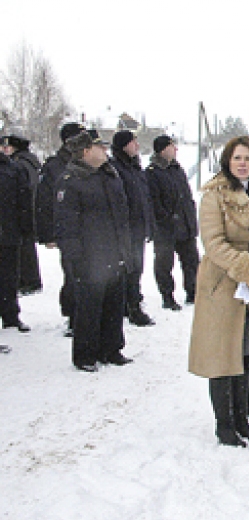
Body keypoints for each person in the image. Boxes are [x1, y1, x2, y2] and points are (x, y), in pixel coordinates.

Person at [187, 136, 249, 447]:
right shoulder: (214, 196)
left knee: (247, 353)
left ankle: (242, 419)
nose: (243, 163)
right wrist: (246, 267)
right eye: (238, 158)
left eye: (248, 159)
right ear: (228, 161)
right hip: (221, 284)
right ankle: (224, 425)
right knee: (222, 355)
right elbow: (213, 244)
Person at [54, 130, 134, 372]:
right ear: (86, 151)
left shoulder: (110, 175)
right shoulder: (71, 180)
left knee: (114, 304)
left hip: (113, 252)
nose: (105, 151)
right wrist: (74, 257)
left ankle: (111, 348)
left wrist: (125, 249)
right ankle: (85, 355)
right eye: (100, 147)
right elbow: (66, 226)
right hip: (89, 256)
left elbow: (121, 216)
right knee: (89, 307)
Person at [37, 122, 86, 335]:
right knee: (73, 274)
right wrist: (47, 234)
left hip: (87, 229)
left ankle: (81, 315)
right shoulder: (54, 166)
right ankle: (73, 317)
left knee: (85, 274)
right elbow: (44, 202)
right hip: (66, 230)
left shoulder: (87, 164)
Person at [146, 134, 199, 311]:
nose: (175, 149)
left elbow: (187, 196)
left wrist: (190, 218)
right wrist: (166, 219)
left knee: (191, 261)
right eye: (171, 146)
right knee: (164, 264)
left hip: (185, 225)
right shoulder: (153, 172)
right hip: (166, 229)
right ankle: (167, 296)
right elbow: (154, 202)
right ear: (162, 150)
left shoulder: (177, 169)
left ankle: (193, 292)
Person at [109, 130, 156, 327]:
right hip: (124, 229)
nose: (137, 144)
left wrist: (149, 225)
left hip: (138, 228)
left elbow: (145, 198)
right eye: (133, 141)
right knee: (126, 269)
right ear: (123, 145)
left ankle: (131, 303)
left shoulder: (136, 167)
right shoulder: (115, 168)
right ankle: (130, 307)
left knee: (136, 269)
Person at [1, 134, 43, 296]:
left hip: (21, 213)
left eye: (8, 147)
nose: (5, 150)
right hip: (24, 213)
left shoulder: (19, 165)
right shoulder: (29, 161)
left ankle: (28, 281)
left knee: (24, 251)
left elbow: (27, 189)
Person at [0, 138, 33, 333]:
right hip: (8, 230)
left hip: (8, 232)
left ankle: (10, 315)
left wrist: (26, 228)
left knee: (9, 277)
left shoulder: (12, 168)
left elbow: (24, 200)